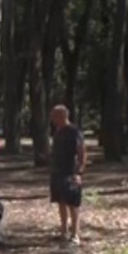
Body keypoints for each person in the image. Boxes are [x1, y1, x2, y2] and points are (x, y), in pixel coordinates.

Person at [49, 105, 87, 245]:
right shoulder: (58, 131)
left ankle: (75, 234)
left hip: (70, 172)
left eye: (54, 116)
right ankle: (63, 231)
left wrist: (79, 172)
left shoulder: (74, 131)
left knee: (73, 204)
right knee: (61, 201)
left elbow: (82, 151)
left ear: (62, 115)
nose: (52, 119)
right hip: (58, 172)